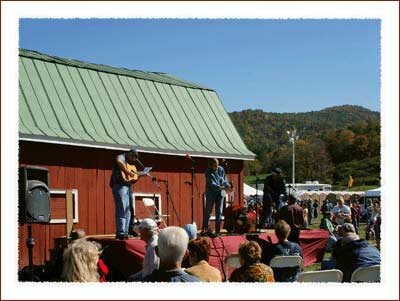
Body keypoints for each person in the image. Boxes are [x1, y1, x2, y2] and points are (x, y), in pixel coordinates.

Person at [110, 149, 141, 240]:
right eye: (132, 158)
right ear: (129, 154)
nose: (132, 161)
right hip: (119, 186)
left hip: (127, 186)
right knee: (122, 209)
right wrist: (127, 172)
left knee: (128, 210)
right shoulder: (121, 157)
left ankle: (125, 232)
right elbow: (118, 161)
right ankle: (120, 232)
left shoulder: (128, 163)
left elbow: (132, 177)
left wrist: (137, 175)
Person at [201, 158, 230, 236]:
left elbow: (224, 179)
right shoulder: (208, 172)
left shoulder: (221, 169)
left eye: (217, 165)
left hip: (220, 194)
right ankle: (205, 229)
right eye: (215, 166)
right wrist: (223, 188)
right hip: (211, 193)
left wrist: (227, 185)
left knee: (219, 212)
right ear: (210, 166)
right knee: (208, 212)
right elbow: (213, 185)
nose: (217, 167)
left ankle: (218, 231)